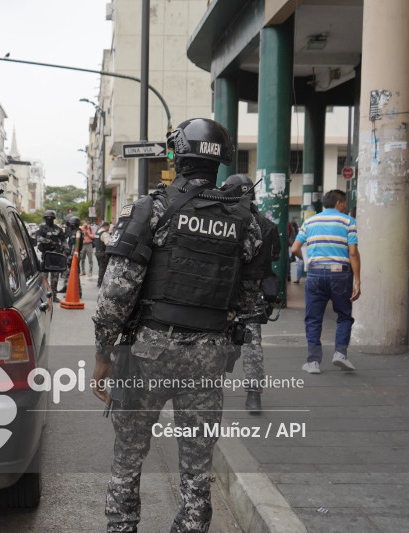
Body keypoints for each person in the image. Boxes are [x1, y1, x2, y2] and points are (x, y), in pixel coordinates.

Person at [92, 118, 261, 532]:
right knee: (197, 468)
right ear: (220, 160)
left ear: (176, 156)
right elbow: (251, 302)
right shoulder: (246, 222)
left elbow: (116, 293)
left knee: (128, 458)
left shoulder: (152, 208)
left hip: (146, 353)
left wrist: (103, 352)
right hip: (207, 358)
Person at [221, 174, 281, 415]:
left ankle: (209, 387)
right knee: (252, 343)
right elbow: (272, 261)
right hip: (252, 294)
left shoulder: (223, 222)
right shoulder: (268, 226)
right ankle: (253, 395)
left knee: (214, 339)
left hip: (223, 293)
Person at [291, 190, 361, 374]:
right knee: (344, 315)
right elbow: (353, 253)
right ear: (339, 203)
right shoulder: (348, 221)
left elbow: (295, 248)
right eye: (344, 202)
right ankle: (340, 353)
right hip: (340, 274)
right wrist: (358, 281)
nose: (345, 205)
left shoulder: (310, 221)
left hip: (315, 275)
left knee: (313, 318)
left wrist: (308, 261)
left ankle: (313, 362)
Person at [35, 210, 66, 303]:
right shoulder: (42, 228)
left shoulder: (58, 229)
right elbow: (38, 238)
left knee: (55, 277)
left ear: (53, 219)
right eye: (48, 218)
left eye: (51, 218)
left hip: (56, 255)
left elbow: (64, 240)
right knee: (44, 277)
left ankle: (54, 295)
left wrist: (65, 249)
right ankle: (43, 295)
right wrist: (49, 241)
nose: (49, 219)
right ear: (45, 219)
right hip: (46, 255)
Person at [94, 221, 111, 287]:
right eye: (108, 227)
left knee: (100, 267)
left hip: (97, 252)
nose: (109, 228)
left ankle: (100, 281)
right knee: (103, 268)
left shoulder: (97, 232)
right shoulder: (105, 234)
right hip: (103, 253)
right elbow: (107, 243)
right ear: (106, 226)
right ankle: (100, 282)